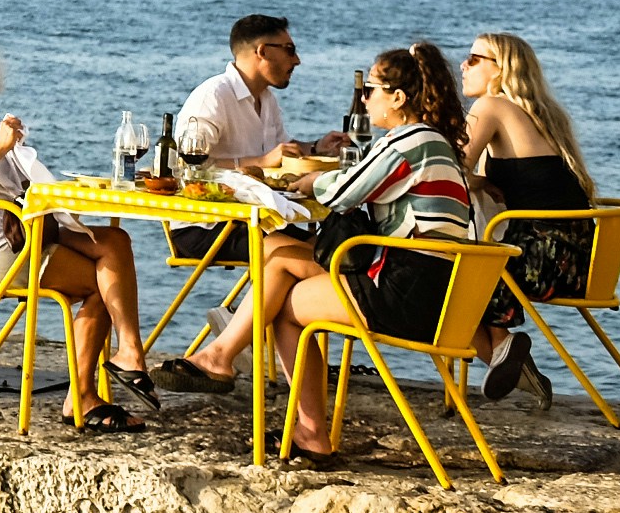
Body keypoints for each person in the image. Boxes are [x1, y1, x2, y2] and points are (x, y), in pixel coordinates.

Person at [168, 43, 474, 465]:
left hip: (406, 291)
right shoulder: (433, 143)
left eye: (371, 89)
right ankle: (225, 361)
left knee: (284, 301)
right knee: (279, 260)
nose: (364, 98)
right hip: (437, 289)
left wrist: (310, 184)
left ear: (398, 98)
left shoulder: (408, 142)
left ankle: (245, 376)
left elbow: (345, 191)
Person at [0, 23, 155, 428]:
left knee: (115, 242)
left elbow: (18, 179)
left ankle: (130, 354)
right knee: (103, 284)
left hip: (25, 232)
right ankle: (84, 397)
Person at [462, 31, 596, 406]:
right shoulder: (541, 114)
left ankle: (506, 346)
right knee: (463, 275)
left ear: (499, 70)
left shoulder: (491, 106)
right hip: (576, 261)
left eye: (473, 59)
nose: (463, 65)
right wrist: (483, 180)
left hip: (539, 261)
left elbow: (451, 170)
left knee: (447, 278)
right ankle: (515, 363)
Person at [166, 16, 325, 272]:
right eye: (290, 50)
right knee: (311, 262)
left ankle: (249, 312)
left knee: (335, 251)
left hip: (254, 218)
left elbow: (279, 153)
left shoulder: (266, 99)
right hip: (205, 224)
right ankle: (249, 314)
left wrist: (317, 147)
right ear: (262, 51)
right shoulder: (214, 95)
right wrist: (260, 162)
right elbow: (184, 166)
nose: (297, 60)